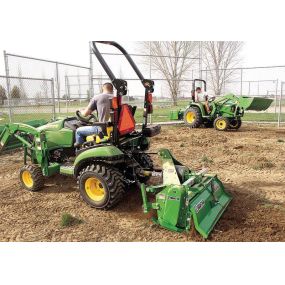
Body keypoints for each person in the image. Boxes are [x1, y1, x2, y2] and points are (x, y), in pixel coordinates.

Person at [74, 82, 114, 147]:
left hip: (102, 128)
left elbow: (85, 114)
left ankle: (79, 151)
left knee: (78, 131)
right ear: (112, 89)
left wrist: (81, 110)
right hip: (113, 128)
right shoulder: (116, 98)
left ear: (102, 89)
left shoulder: (98, 97)